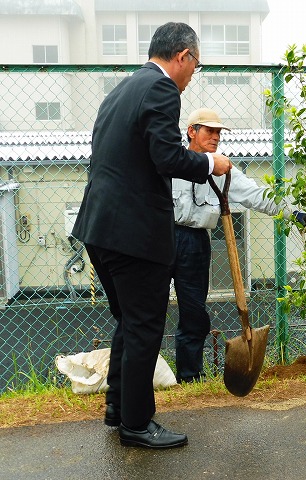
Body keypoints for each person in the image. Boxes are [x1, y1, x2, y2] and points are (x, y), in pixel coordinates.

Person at [71, 22, 232, 449]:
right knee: (145, 326)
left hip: (99, 227)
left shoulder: (120, 91)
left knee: (130, 321)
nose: (193, 74)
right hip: (134, 234)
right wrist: (209, 163)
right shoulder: (162, 90)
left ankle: (118, 408)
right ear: (182, 56)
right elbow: (165, 155)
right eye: (195, 64)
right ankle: (138, 425)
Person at [171, 107, 306, 383]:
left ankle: (189, 377)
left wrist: (292, 211)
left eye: (218, 132)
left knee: (194, 312)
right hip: (160, 236)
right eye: (209, 131)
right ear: (191, 132)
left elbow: (255, 195)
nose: (215, 137)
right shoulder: (172, 161)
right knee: (145, 310)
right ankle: (142, 378)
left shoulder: (222, 169)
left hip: (196, 241)